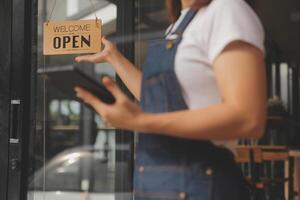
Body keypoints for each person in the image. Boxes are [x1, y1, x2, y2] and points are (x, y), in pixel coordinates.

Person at [74, 0, 266, 199]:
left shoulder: (227, 10)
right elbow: (158, 98)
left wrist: (140, 121)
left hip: (201, 183)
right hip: (158, 184)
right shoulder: (178, 25)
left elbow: (247, 117)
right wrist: (113, 57)